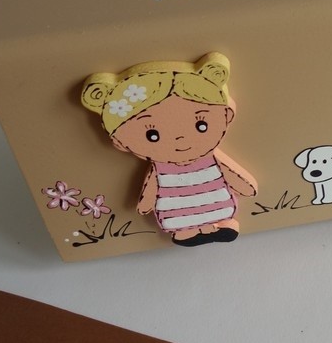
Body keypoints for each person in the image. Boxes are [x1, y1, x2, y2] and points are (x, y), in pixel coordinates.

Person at [81, 52, 257, 245]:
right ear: (120, 142)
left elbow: (231, 174)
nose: (180, 139)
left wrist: (145, 204)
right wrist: (146, 203)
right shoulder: (161, 167)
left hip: (213, 202)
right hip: (178, 208)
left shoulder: (205, 159)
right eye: (152, 135)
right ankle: (187, 232)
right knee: (181, 217)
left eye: (201, 125)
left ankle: (216, 226)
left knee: (212, 208)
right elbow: (152, 186)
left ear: (227, 115)